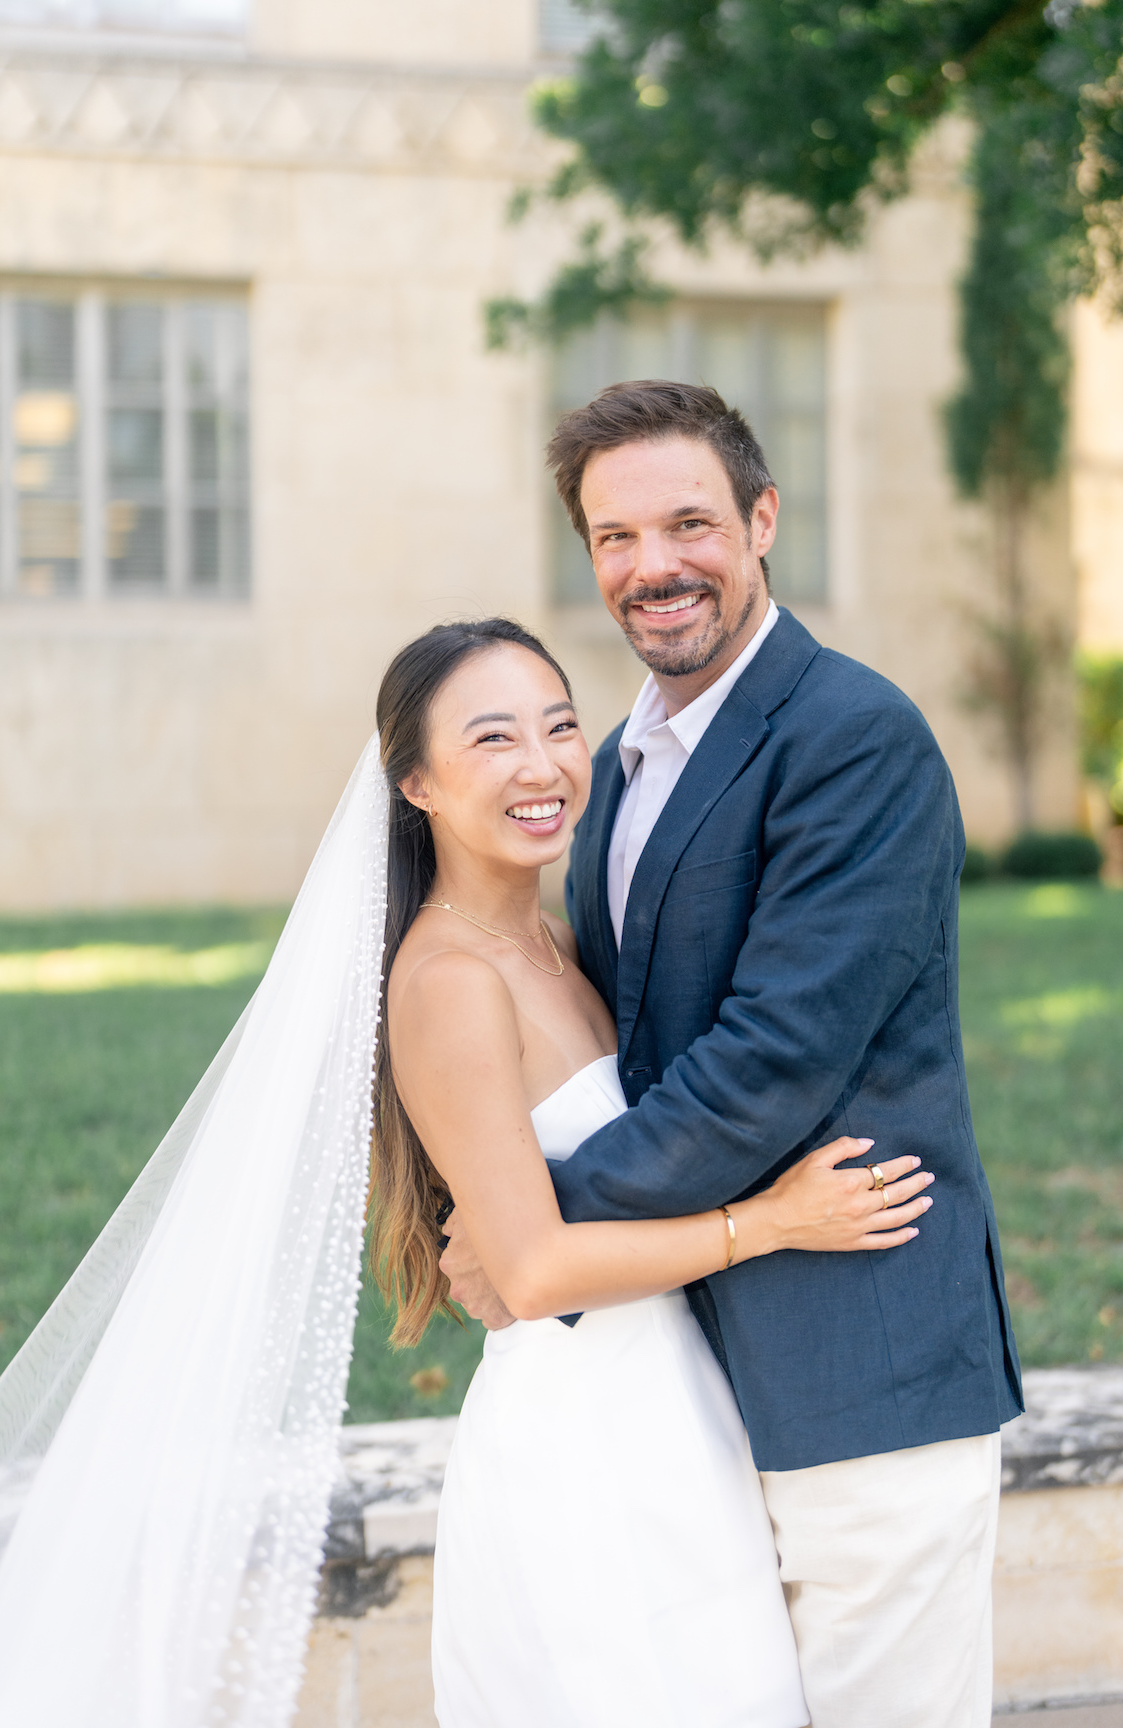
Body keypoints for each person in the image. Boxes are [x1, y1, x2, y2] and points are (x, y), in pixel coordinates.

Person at [440, 381, 1025, 1728]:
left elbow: (772, 1061)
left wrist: (537, 1230)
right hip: (685, 1394)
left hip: (859, 1373)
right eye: (615, 538)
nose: (655, 567)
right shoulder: (626, 764)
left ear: (763, 521)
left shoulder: (851, 737)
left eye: (690, 523)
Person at [373, 616, 933, 1728]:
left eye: (560, 725)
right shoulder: (447, 981)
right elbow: (530, 1274)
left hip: (675, 1412)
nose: (542, 766)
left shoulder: (559, 942)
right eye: (493, 739)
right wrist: (769, 1221)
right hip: (583, 1446)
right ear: (419, 784)